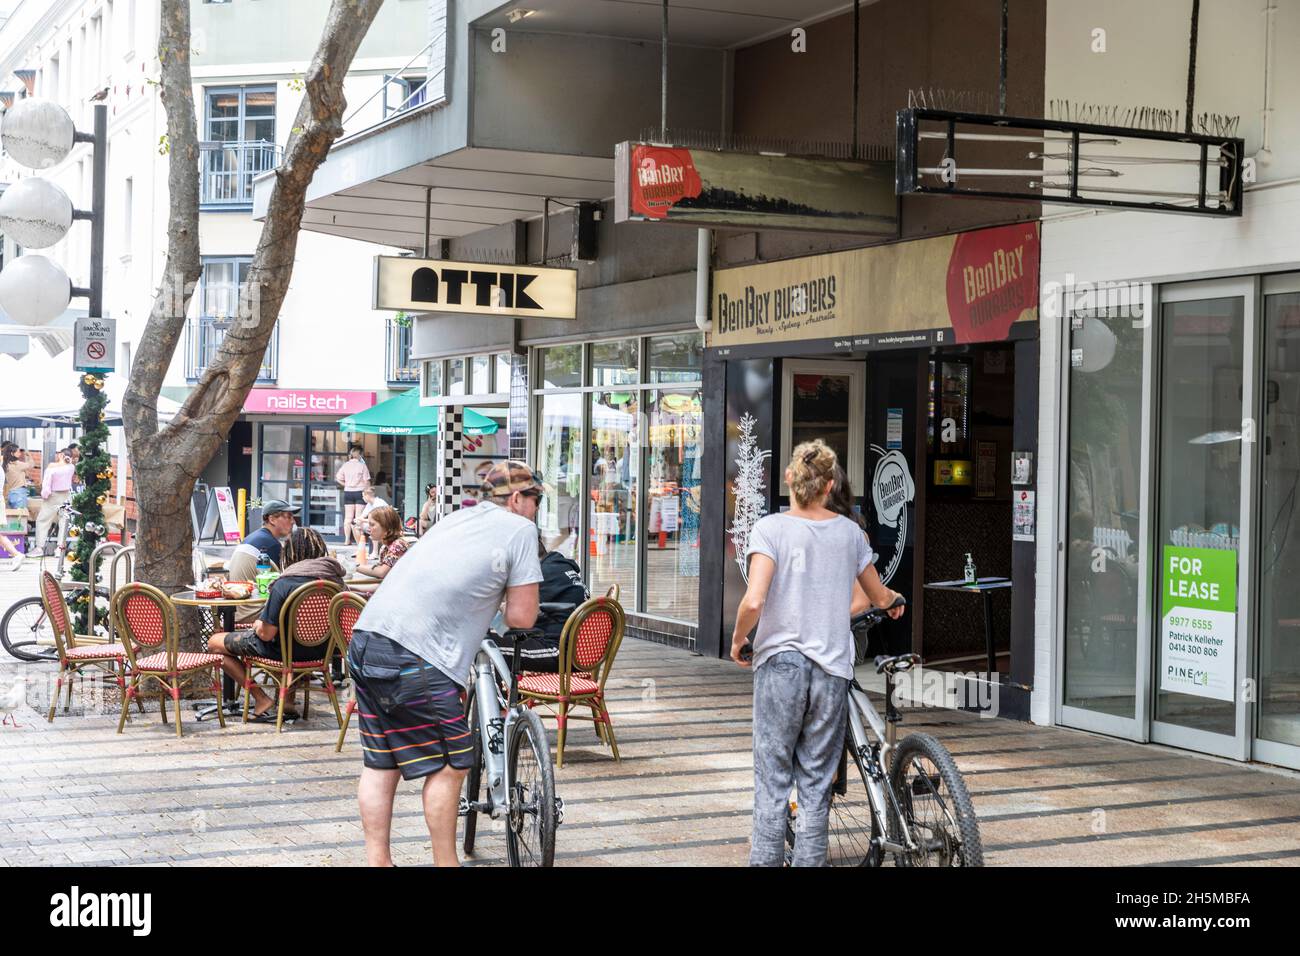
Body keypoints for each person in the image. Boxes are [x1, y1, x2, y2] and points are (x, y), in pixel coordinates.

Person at [349, 459, 545, 867]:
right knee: (452, 764)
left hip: (367, 640)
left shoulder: (456, 519)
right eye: (536, 499)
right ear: (515, 499)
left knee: (381, 762)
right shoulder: (521, 530)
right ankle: (445, 863)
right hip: (419, 656)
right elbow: (522, 618)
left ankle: (378, 862)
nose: (537, 508)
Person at [731, 440, 904, 867]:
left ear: (790, 478)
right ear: (829, 485)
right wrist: (895, 599)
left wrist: (738, 640)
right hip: (831, 670)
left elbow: (754, 602)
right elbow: (878, 595)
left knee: (772, 784)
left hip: (780, 667)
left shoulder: (770, 529)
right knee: (816, 786)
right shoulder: (850, 534)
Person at [207, 527, 347, 722]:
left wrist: (257, 625)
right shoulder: (335, 580)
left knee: (215, 642)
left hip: (284, 651)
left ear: (290, 552)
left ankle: (261, 698)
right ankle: (287, 700)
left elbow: (266, 634)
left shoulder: (285, 583)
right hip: (323, 652)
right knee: (288, 641)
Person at [494, 539, 588, 673]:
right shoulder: (559, 568)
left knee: (492, 645)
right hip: (581, 654)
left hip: (558, 654)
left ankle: (505, 693)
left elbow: (515, 613)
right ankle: (511, 691)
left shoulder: (541, 576)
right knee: (507, 638)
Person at [225, 499, 295, 625]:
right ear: (272, 519)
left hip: (237, 611)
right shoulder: (270, 545)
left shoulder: (254, 537)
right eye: (288, 517)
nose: (293, 521)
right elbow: (283, 585)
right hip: (253, 614)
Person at [352, 506, 407, 590]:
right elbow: (377, 571)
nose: (368, 528)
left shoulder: (398, 544)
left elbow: (381, 572)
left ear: (386, 527)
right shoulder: (386, 546)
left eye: (372, 524)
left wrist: (353, 567)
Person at [35, 449, 76, 555]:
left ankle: (39, 547)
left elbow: (46, 484)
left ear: (61, 455)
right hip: (66, 495)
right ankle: (60, 548)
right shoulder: (71, 467)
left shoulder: (51, 467)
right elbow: (68, 465)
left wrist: (44, 495)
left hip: (52, 496)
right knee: (64, 521)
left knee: (43, 520)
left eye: (58, 454)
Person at [336, 446, 371, 546]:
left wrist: (346, 484)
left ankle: (347, 540)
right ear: (360, 454)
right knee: (358, 518)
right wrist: (367, 492)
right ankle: (359, 541)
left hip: (348, 492)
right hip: (359, 492)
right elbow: (367, 481)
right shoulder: (362, 466)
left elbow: (338, 478)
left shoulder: (345, 465)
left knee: (348, 518)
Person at [351, 485, 390, 559]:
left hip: (385, 525)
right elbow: (363, 516)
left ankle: (375, 553)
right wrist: (357, 520)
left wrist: (362, 520)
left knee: (373, 527)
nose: (362, 498)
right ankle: (361, 550)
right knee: (355, 526)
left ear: (367, 495)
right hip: (377, 524)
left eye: (363, 496)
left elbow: (377, 520)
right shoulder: (369, 504)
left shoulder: (378, 503)